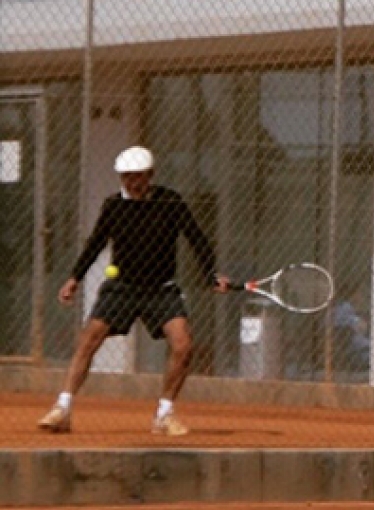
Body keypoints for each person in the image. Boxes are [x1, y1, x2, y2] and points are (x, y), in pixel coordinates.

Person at [37, 146, 230, 437]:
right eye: (126, 177)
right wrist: (74, 278)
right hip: (121, 288)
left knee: (183, 344)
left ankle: (164, 415)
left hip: (161, 289)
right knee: (89, 339)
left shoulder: (170, 202)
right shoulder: (113, 205)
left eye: (137, 177)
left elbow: (197, 238)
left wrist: (211, 273)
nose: (131, 182)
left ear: (150, 175)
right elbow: (95, 242)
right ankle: (62, 409)